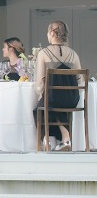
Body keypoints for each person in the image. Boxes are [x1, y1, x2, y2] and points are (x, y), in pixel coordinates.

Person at [34, 20, 83, 151]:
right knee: (53, 104)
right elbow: (80, 80)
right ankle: (63, 139)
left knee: (41, 107)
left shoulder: (43, 53)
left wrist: (40, 94)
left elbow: (39, 82)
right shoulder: (74, 54)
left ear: (51, 33)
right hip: (72, 99)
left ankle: (48, 140)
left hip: (53, 99)